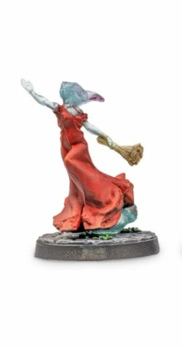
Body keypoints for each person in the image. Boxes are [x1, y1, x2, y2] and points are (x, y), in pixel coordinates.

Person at [21, 79, 137, 234]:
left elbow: (89, 127)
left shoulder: (78, 112)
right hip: (65, 146)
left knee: (72, 162)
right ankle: (79, 208)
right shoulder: (59, 108)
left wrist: (105, 136)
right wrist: (32, 92)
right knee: (77, 180)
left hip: (79, 146)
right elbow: (44, 101)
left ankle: (107, 196)